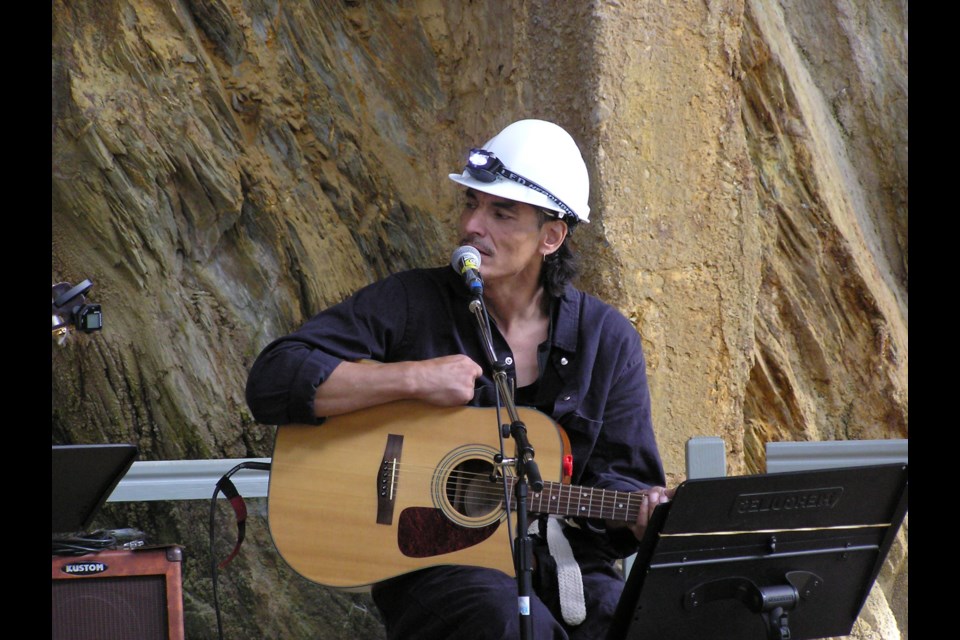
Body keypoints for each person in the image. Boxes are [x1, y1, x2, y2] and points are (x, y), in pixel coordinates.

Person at [245, 119, 672, 639]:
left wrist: (640, 513)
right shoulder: (411, 302)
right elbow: (273, 380)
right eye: (471, 204)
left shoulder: (608, 340)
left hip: (568, 570)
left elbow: (622, 483)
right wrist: (413, 378)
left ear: (552, 236)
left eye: (500, 212)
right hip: (435, 560)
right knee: (508, 622)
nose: (473, 225)